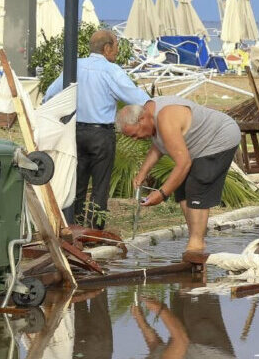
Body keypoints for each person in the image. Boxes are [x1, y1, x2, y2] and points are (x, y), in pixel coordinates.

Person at [43, 29, 149, 229]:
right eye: (116, 46)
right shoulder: (110, 70)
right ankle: (94, 231)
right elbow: (135, 97)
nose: (117, 51)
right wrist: (156, 106)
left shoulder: (75, 65)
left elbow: (50, 94)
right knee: (100, 186)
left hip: (75, 132)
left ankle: (73, 226)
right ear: (107, 48)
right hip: (101, 134)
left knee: (76, 183)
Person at [115, 96, 240, 252]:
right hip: (198, 147)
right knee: (182, 189)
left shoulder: (166, 118)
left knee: (197, 184)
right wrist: (142, 173)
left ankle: (196, 244)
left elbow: (184, 163)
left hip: (220, 136)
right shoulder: (149, 112)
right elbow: (158, 145)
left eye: (135, 134)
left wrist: (162, 193)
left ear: (142, 119)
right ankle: (195, 239)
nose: (135, 139)